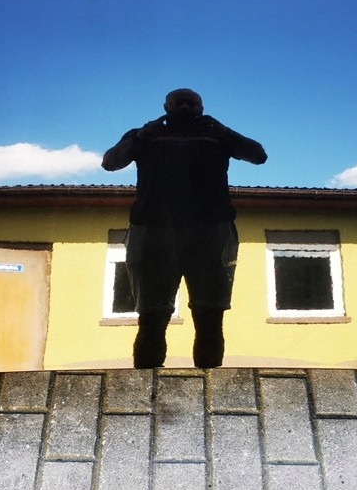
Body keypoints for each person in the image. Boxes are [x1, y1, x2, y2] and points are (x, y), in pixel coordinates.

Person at [102, 88, 267, 368]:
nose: (185, 108)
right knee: (152, 318)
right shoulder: (145, 135)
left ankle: (209, 383)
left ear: (201, 108)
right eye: (179, 103)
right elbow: (110, 163)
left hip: (210, 233)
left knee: (210, 316)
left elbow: (259, 155)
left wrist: (226, 133)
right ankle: (146, 385)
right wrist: (139, 137)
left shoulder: (216, 135)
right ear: (166, 107)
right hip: (154, 232)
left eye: (191, 103)